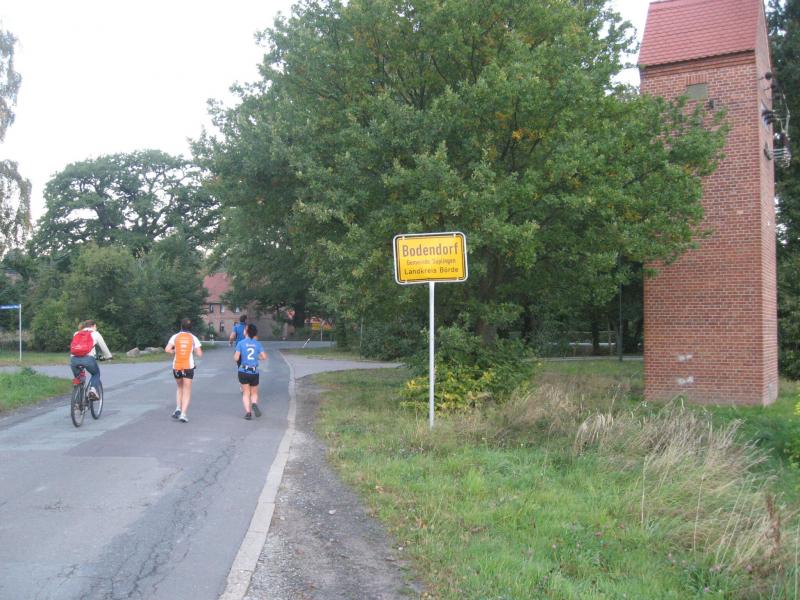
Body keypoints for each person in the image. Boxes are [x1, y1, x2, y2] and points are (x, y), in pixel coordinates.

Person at [165, 318, 203, 423]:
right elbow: (199, 354)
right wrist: (193, 351)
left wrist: (175, 351)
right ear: (190, 327)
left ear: (181, 326)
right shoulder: (193, 338)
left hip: (177, 366)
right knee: (187, 390)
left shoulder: (175, 336)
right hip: (188, 367)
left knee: (179, 387)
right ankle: (183, 414)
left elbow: (167, 349)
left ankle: (178, 408)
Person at [69, 319, 113, 400]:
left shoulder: (76, 333)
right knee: (96, 374)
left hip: (74, 359)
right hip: (88, 359)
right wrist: (108, 356)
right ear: (94, 326)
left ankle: (77, 403)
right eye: (96, 326)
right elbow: (104, 347)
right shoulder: (95, 333)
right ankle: (92, 391)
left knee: (79, 379)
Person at [233, 323, 267, 420]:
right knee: (254, 392)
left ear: (246, 332)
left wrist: (237, 356)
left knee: (246, 393)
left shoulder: (241, 343)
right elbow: (264, 357)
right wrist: (257, 357)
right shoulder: (257, 344)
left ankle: (248, 413)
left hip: (243, 371)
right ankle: (254, 403)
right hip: (254, 372)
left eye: (245, 329)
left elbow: (236, 358)